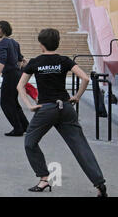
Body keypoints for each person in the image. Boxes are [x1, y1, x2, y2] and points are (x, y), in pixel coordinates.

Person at [17, 28, 107, 197]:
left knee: (30, 142)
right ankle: (99, 183)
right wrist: (77, 97)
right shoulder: (64, 60)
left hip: (45, 109)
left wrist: (29, 104)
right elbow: (86, 78)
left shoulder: (35, 62)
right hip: (65, 107)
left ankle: (43, 179)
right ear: (57, 43)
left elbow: (20, 86)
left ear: (41, 45)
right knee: (80, 146)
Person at [0, 21, 29, 136]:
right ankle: (25, 126)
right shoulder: (15, 42)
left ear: (3, 30)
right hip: (17, 74)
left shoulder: (3, 43)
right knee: (13, 102)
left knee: (5, 103)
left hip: (9, 75)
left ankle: (18, 128)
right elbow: (22, 60)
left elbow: (2, 61)